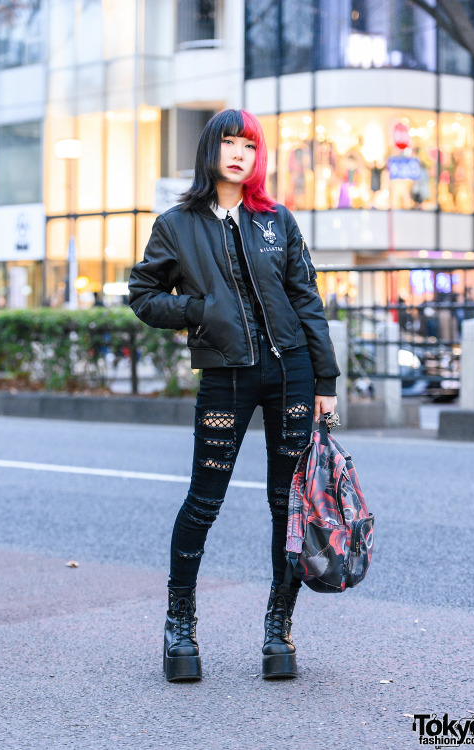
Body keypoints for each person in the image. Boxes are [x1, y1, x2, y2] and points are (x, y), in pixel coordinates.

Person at [128, 109, 339, 682]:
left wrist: (326, 380)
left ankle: (278, 629)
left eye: (249, 144)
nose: (240, 153)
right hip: (225, 375)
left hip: (290, 374)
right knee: (204, 501)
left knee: (285, 506)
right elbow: (143, 293)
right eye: (229, 141)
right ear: (210, 150)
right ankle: (179, 627)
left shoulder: (277, 221)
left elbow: (306, 300)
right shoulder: (177, 224)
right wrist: (197, 311)